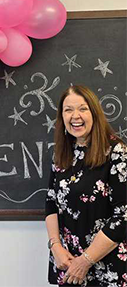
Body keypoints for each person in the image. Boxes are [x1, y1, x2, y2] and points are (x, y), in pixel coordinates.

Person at [45, 85, 127, 286]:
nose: (75, 116)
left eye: (82, 109)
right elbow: (51, 203)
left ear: (94, 113)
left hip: (106, 267)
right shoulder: (61, 155)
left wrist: (85, 261)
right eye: (68, 110)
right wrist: (55, 246)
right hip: (67, 264)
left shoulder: (117, 153)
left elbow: (123, 216)